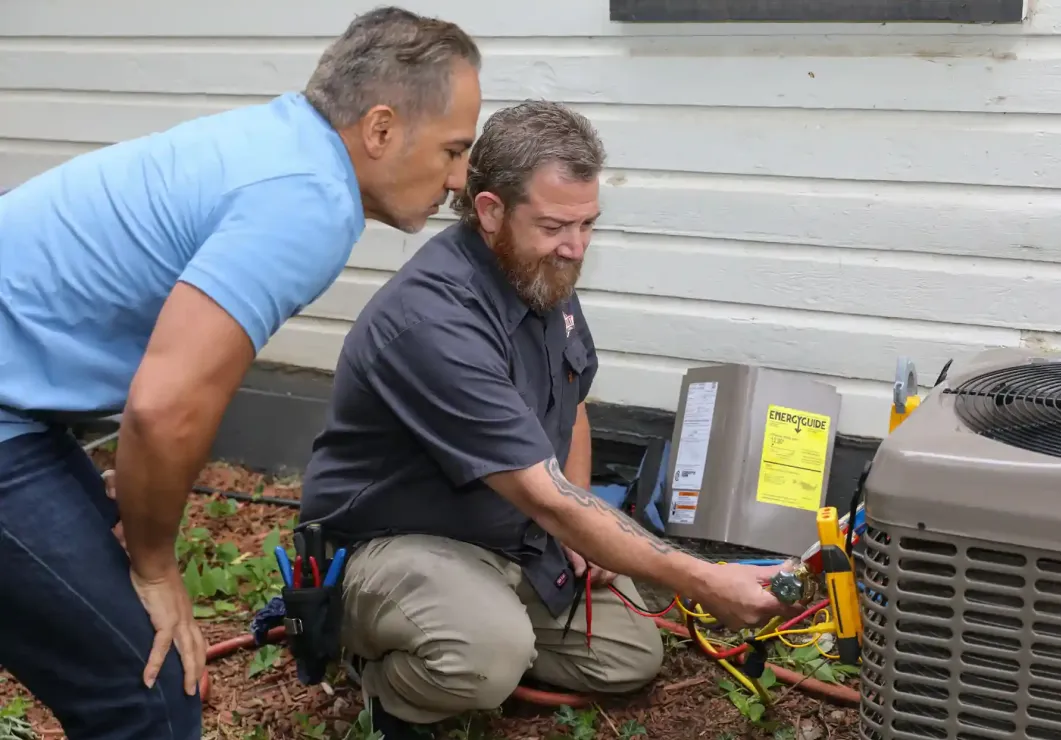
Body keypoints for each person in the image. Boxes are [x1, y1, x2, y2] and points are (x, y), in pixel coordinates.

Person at [0, 7, 482, 739]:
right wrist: (157, 566)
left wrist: (138, 492)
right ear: (381, 129)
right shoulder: (308, 202)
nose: (458, 178)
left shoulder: (278, 142)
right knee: (149, 693)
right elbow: (165, 409)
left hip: (20, 408)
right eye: (452, 149)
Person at [298, 100, 797, 738]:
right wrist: (704, 581)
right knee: (486, 655)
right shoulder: (436, 322)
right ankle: (388, 683)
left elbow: (572, 402)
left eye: (589, 224)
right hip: (392, 543)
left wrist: (578, 521)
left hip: (507, 537)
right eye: (557, 225)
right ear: (489, 211)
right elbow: (544, 496)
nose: (576, 247)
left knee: (627, 657)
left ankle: (476, 631)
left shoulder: (540, 279)